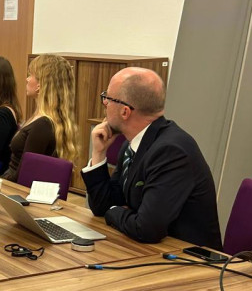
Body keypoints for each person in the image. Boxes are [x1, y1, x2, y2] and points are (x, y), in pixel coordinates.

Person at [82, 67, 222, 248]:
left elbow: (146, 228)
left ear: (125, 112)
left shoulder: (171, 151)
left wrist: (114, 211)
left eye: (108, 98)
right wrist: (99, 153)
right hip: (149, 249)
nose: (105, 103)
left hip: (188, 257)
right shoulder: (133, 143)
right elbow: (102, 206)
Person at [2, 54, 79, 182]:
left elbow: (23, 176)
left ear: (40, 84)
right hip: (10, 181)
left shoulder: (43, 125)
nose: (27, 79)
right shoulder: (42, 118)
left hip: (14, 187)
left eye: (30, 75)